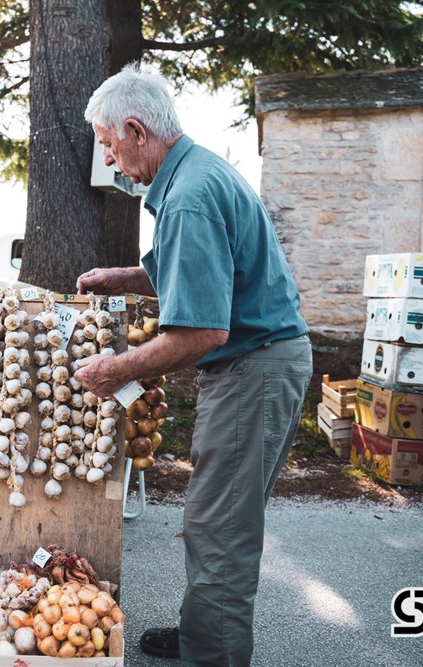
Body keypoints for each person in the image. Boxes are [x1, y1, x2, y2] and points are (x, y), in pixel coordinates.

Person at [76, 63, 312, 666]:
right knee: (216, 521)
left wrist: (118, 368)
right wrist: (127, 275)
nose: (109, 160)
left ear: (134, 129)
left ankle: (214, 655)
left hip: (253, 369)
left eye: (108, 144)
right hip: (262, 363)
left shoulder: (187, 197)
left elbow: (203, 330)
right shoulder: (198, 171)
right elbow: (199, 265)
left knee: (220, 534)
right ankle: (199, 635)